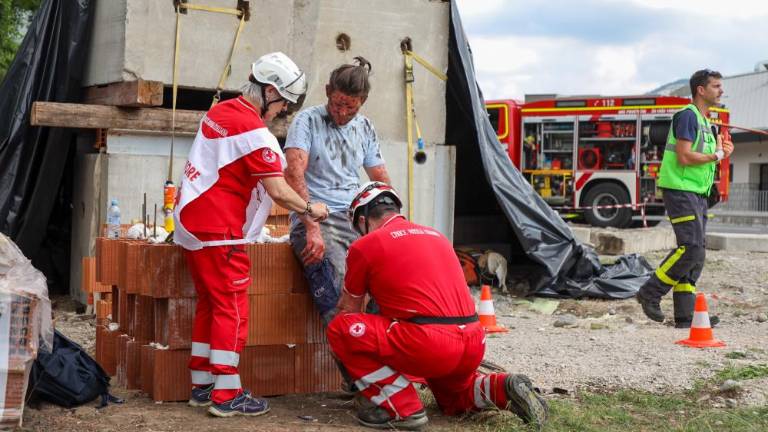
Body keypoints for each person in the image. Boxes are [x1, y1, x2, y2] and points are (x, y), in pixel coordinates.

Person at [174, 52, 329, 417]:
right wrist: (311, 210)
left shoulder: (220, 112)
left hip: (194, 225)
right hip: (220, 231)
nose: (281, 112)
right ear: (270, 91)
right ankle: (227, 394)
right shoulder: (253, 131)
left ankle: (202, 384)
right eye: (283, 105)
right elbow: (278, 190)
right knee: (233, 308)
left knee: (210, 304)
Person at [327, 182, 548, 431]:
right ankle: (501, 388)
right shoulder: (437, 236)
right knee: (453, 398)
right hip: (472, 342)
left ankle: (403, 408)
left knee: (341, 327)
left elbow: (349, 310)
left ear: (363, 218)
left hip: (428, 344)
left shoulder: (365, 245)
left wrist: (357, 371)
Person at [284, 56, 391, 324]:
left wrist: (393, 223)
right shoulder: (307, 120)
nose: (342, 113)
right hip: (317, 214)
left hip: (354, 214)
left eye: (351, 108)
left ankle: (383, 352)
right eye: (337, 104)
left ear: (362, 102)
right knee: (340, 286)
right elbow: (294, 173)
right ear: (328, 92)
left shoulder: (365, 127)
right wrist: (310, 226)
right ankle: (349, 351)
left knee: (384, 281)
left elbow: (379, 176)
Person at [636, 69, 734, 328]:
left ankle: (685, 315)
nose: (721, 90)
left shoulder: (705, 121)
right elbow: (684, 156)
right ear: (701, 90)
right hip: (680, 190)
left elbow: (706, 160)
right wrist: (717, 156)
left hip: (697, 193)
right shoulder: (687, 117)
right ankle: (650, 293)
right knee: (690, 248)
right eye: (716, 86)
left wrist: (723, 152)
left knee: (697, 253)